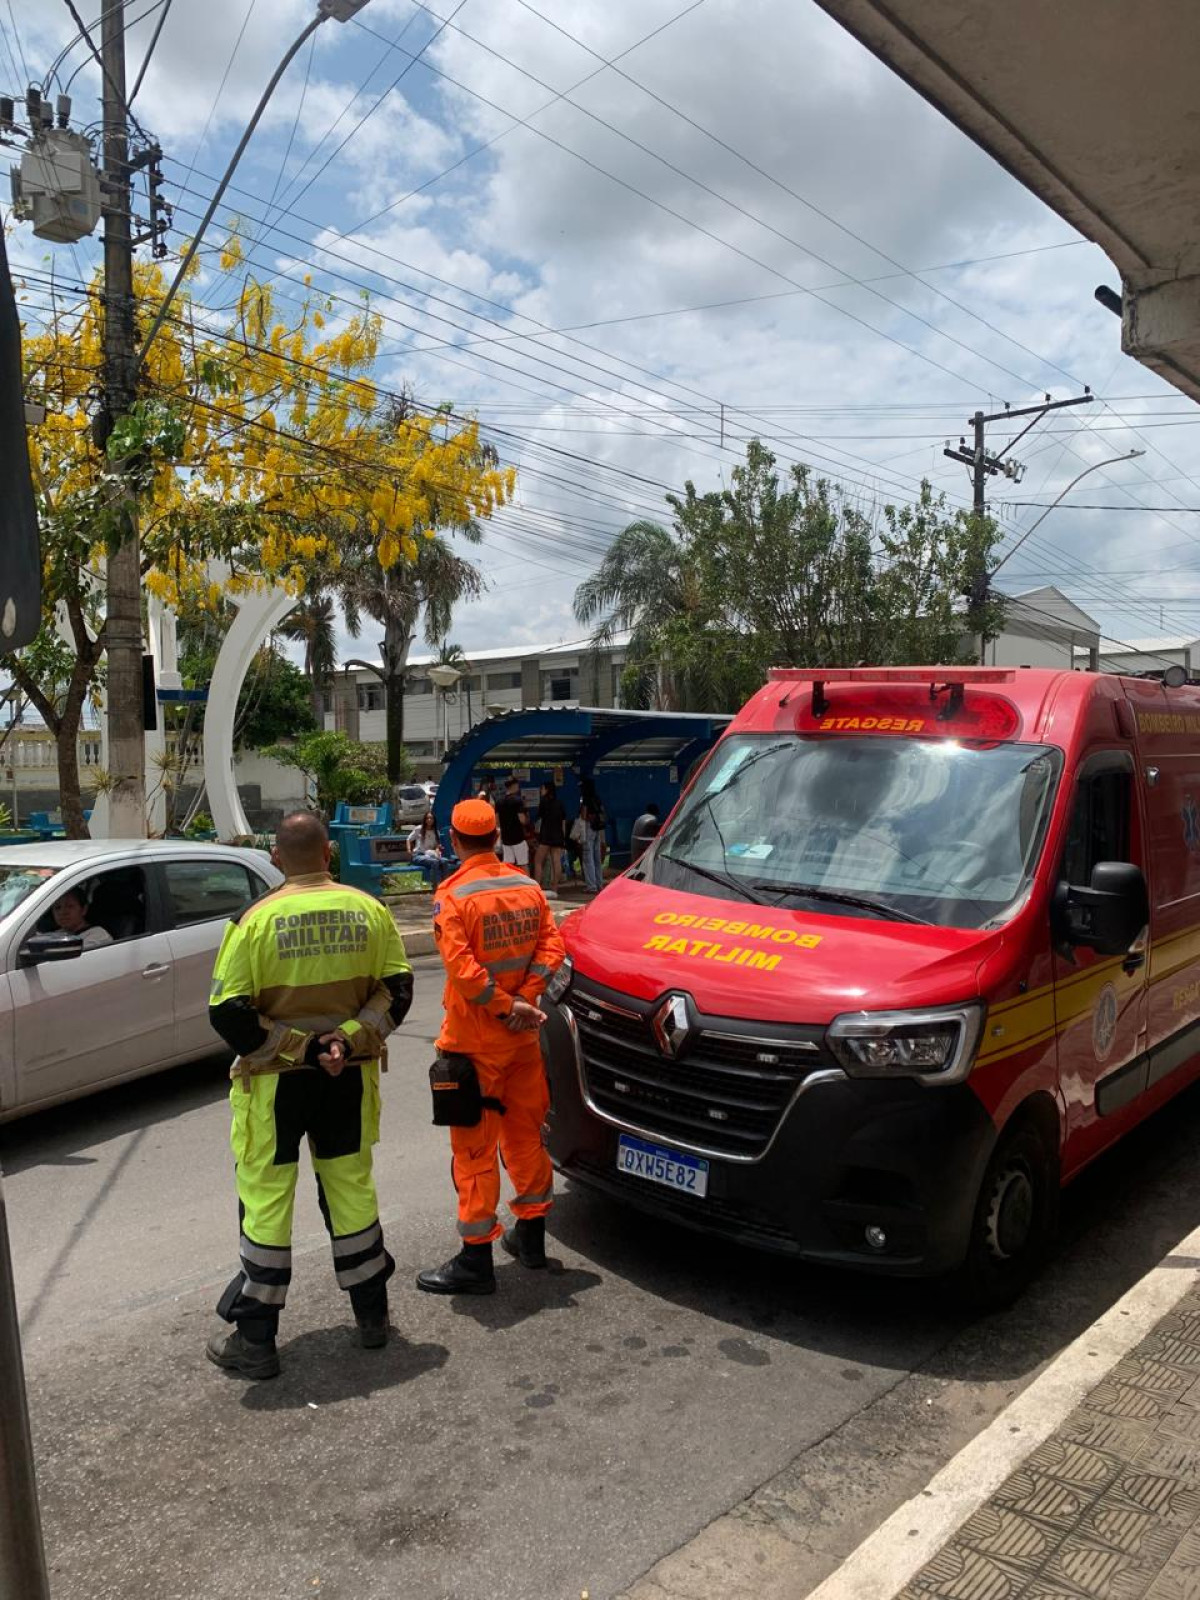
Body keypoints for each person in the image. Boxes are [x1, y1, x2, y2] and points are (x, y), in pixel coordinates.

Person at [205, 811, 414, 1380]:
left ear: (277, 858)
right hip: (345, 1078)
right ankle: (372, 1319)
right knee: (351, 1194)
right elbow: (396, 991)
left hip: (275, 1086)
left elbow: (226, 1012)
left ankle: (257, 1344)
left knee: (267, 1205)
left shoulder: (253, 920)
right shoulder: (369, 910)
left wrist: (296, 1048)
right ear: (329, 855)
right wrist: (343, 1042)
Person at [418, 799, 566, 1295]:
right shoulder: (528, 887)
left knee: (475, 1150)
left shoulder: (453, 895)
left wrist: (505, 1006)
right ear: (498, 837)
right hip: (523, 1041)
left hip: (476, 1044)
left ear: (455, 840)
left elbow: (463, 974)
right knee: (525, 1135)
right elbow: (553, 948)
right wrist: (525, 1001)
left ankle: (475, 1261)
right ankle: (531, 1241)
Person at [534, 780, 566, 892]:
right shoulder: (559, 803)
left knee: (538, 860)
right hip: (558, 835)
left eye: (542, 789)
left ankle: (537, 887)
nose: (541, 791)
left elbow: (540, 817)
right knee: (556, 861)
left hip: (546, 835)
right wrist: (563, 836)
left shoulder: (544, 802)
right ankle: (555, 887)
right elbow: (563, 822)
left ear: (547, 790)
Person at [495, 775, 530, 870]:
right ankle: (526, 884)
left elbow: (497, 822)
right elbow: (522, 820)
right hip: (518, 838)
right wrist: (527, 816)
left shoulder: (499, 802)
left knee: (508, 866)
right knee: (523, 865)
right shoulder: (518, 801)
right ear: (515, 785)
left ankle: (509, 884)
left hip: (506, 839)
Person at [408, 809, 449, 888]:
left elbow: (437, 845)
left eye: (431, 818)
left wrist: (437, 851)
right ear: (425, 819)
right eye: (427, 818)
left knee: (445, 861)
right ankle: (435, 886)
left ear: (434, 820)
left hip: (430, 855)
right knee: (434, 862)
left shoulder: (436, 831)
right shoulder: (419, 829)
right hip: (418, 855)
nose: (429, 820)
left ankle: (445, 885)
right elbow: (409, 839)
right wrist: (409, 850)